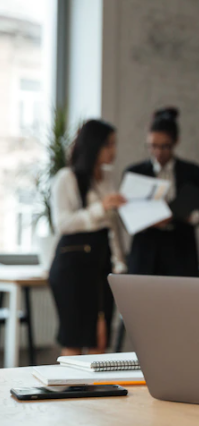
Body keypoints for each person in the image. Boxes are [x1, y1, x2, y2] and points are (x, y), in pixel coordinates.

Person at [49, 119, 127, 356]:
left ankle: (96, 394)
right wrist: (100, 208)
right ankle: (69, 393)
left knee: (100, 340)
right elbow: (62, 223)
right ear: (94, 145)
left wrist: (121, 261)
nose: (113, 151)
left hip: (102, 263)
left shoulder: (107, 178)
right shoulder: (67, 178)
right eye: (109, 145)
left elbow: (113, 227)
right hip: (73, 265)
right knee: (74, 339)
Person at [125, 107, 199, 277]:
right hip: (146, 253)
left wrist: (189, 216)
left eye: (164, 146)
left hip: (181, 250)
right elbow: (127, 216)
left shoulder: (192, 172)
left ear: (176, 142)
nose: (158, 152)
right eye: (152, 146)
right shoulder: (135, 172)